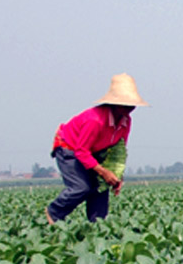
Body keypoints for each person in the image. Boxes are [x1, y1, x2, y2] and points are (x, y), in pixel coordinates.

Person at [45, 74, 147, 223]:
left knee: (101, 186)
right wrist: (103, 171)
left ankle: (97, 226)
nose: (130, 108)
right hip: (69, 149)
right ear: (114, 103)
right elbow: (81, 151)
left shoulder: (125, 121)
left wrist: (117, 175)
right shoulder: (95, 120)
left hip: (95, 152)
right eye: (125, 104)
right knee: (81, 187)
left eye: (132, 104)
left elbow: (118, 150)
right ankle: (53, 213)